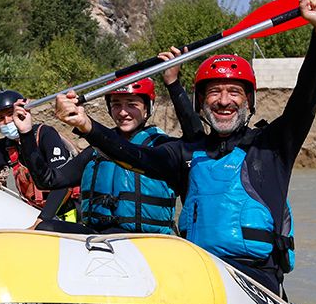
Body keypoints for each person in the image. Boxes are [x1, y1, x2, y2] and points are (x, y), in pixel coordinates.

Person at [52, 0, 316, 296]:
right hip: (198, 271)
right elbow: (133, 155)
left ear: (250, 102)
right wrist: (85, 125)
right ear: (201, 102)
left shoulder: (272, 147)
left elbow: (306, 99)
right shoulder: (186, 154)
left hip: (256, 279)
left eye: (234, 92)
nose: (224, 101)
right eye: (214, 93)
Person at [14, 49, 201, 235]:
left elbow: (196, 139)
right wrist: (26, 133)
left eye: (132, 104)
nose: (123, 112)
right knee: (43, 228)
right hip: (101, 238)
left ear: (147, 109)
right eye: (116, 104)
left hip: (147, 241)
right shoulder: (96, 150)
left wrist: (173, 83)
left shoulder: (164, 149)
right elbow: (48, 179)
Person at [0, 89, 78, 226]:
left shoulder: (45, 135)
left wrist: (41, 222)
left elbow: (64, 184)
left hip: (67, 213)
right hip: (33, 213)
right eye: (0, 118)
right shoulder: (3, 147)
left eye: (10, 114)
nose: (7, 121)